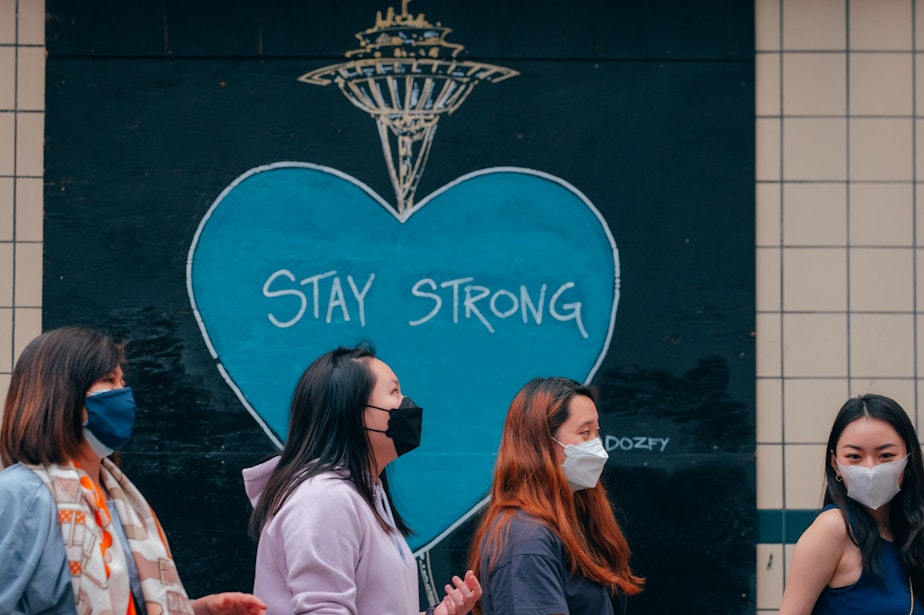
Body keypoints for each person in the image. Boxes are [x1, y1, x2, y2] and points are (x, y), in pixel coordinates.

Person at [0, 325, 267, 615]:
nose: (123, 393)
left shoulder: (118, 498)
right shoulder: (21, 494)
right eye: (108, 379)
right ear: (61, 393)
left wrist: (199, 610)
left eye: (122, 380)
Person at [243, 343, 481, 615]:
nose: (407, 403)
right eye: (394, 392)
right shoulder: (324, 499)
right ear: (354, 412)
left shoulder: (362, 496)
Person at [468, 377, 644, 615]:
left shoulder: (568, 522)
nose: (597, 445)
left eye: (596, 431)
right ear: (541, 442)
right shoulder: (525, 538)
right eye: (585, 432)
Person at [779, 393, 924, 614]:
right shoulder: (833, 528)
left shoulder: (909, 534)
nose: (870, 469)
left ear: (909, 460)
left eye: (885, 455)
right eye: (854, 456)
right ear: (835, 464)